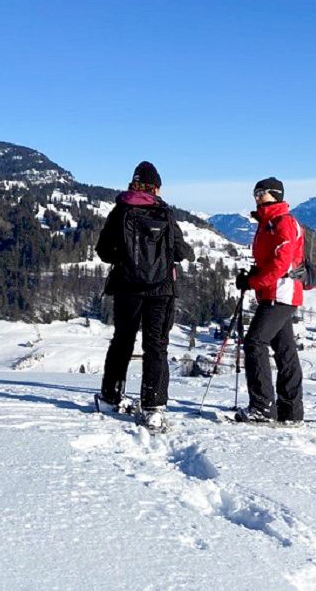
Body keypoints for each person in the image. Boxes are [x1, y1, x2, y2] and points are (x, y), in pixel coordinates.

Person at [94, 161, 193, 433]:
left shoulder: (121, 210)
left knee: (122, 342)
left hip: (127, 288)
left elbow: (103, 250)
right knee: (156, 346)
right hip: (161, 290)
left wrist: (126, 261)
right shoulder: (165, 213)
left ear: (133, 183)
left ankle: (110, 397)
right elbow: (182, 251)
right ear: (156, 187)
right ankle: (153, 409)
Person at [234, 177, 309, 424]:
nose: (256, 196)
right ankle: (290, 410)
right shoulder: (267, 223)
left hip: (281, 293)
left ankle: (262, 407)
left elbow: (281, 263)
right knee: (285, 351)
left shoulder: (283, 222)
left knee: (255, 342)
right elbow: (270, 262)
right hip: (274, 292)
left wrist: (254, 282)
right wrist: (252, 277)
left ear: (275, 194)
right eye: (255, 191)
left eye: (262, 192)